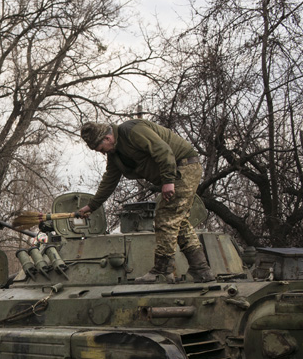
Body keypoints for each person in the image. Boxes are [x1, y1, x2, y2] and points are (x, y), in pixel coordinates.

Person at [76, 119, 215, 283]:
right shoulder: (116, 154)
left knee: (166, 218)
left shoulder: (132, 131)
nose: (102, 153)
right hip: (175, 172)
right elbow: (109, 180)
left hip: (182, 167)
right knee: (178, 220)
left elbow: (163, 150)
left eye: (100, 149)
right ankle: (201, 270)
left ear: (107, 139)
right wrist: (92, 206)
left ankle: (162, 270)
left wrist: (168, 181)